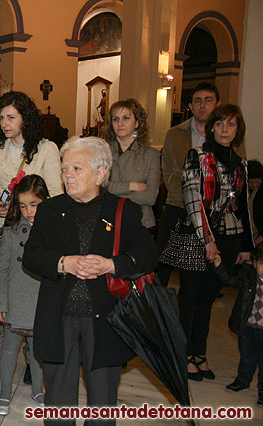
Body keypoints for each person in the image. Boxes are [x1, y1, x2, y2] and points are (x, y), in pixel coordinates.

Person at [23, 136, 158, 426]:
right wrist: (63, 263)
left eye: (76, 168)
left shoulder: (124, 210)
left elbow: (148, 255)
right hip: (60, 317)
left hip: (106, 319)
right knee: (58, 402)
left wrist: (112, 264)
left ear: (100, 174)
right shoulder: (49, 210)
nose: (67, 175)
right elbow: (32, 256)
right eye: (64, 168)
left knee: (102, 403)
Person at [0, 90, 63, 380]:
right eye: (1, 117)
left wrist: (29, 208)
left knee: (33, 294)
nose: (4, 123)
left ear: (25, 118)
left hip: (36, 232)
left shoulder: (46, 149)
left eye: (11, 117)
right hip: (4, 230)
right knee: (0, 291)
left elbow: (55, 194)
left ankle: (33, 359)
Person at [180, 103, 252, 381]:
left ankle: (200, 353)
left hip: (230, 239)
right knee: (189, 297)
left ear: (238, 130)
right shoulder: (196, 156)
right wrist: (207, 240)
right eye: (220, 124)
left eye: (231, 124)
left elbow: (243, 207)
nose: (224, 130)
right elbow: (193, 201)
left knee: (208, 300)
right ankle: (185, 353)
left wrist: (246, 246)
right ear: (211, 127)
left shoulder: (241, 164)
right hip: (197, 236)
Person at [0, 174, 48, 416]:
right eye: (23, 205)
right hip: (15, 301)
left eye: (34, 204)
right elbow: (1, 269)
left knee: (38, 352)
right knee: (8, 349)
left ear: (46, 200)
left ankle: (38, 389)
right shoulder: (12, 231)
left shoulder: (53, 229)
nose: (28, 211)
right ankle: (4, 392)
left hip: (41, 302)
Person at [158, 82, 221, 286]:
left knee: (195, 276)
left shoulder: (226, 135)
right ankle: (156, 313)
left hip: (210, 212)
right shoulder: (175, 134)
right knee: (161, 267)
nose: (202, 105)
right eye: (198, 101)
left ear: (217, 105)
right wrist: (187, 197)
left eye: (208, 100)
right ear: (191, 106)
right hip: (177, 206)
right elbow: (167, 170)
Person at [213, 244, 263, 407]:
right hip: (248, 327)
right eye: (262, 264)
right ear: (254, 263)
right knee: (247, 357)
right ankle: (243, 380)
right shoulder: (248, 278)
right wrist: (219, 265)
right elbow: (229, 279)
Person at [102, 98, 160, 230]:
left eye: (126, 118)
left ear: (137, 123)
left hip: (141, 223)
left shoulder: (151, 155)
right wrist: (131, 186)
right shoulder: (102, 152)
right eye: (115, 119)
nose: (120, 123)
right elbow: (98, 189)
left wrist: (112, 191)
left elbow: (150, 197)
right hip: (108, 221)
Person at [247, 160, 263, 246]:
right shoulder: (241, 190)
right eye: (251, 182)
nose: (254, 185)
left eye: (257, 182)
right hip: (247, 233)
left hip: (259, 233)